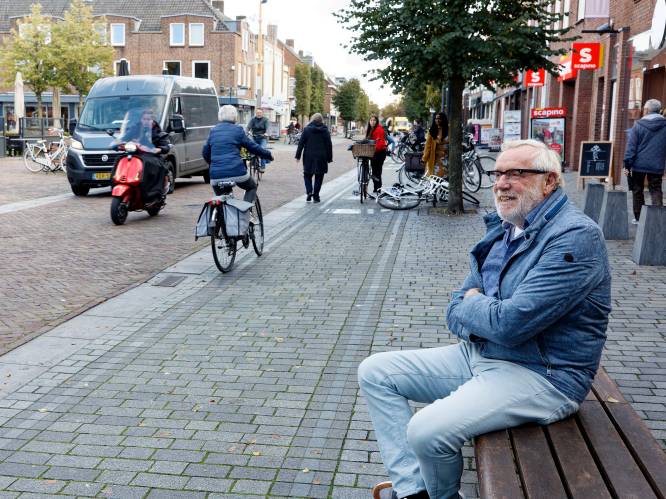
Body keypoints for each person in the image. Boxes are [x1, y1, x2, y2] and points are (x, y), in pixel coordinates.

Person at [359, 139, 611, 499]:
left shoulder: (575, 236)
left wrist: (476, 307)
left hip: (543, 373)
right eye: (498, 173)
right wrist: (478, 309)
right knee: (376, 372)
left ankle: (441, 497)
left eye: (517, 173)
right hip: (485, 354)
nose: (501, 182)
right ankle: (414, 490)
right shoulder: (506, 227)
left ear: (551, 181)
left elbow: (511, 324)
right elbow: (455, 308)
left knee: (426, 430)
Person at [203, 105, 272, 202]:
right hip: (236, 171)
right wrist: (267, 155)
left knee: (221, 199)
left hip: (216, 174)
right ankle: (245, 214)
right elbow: (252, 147)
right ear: (235, 117)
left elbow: (205, 152)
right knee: (251, 187)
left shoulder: (213, 131)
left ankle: (220, 216)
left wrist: (214, 163)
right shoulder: (238, 130)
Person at [623, 98, 666, 224]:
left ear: (646, 110)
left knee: (637, 190)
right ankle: (658, 220)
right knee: (656, 189)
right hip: (657, 164)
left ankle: (639, 219)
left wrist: (627, 164)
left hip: (638, 164)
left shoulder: (639, 125)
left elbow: (631, 147)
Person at [116, 108, 171, 203]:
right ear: (141, 119)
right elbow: (124, 138)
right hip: (136, 155)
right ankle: (117, 181)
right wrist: (117, 143)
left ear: (152, 120)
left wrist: (159, 149)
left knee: (151, 164)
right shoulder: (135, 129)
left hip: (152, 156)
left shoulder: (158, 132)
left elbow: (165, 145)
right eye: (144, 119)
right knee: (120, 159)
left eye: (148, 119)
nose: (146, 121)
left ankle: (151, 191)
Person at [295, 113, 333, 203]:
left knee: (307, 175)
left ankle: (309, 191)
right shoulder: (325, 130)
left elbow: (301, 143)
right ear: (321, 121)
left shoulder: (307, 130)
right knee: (319, 176)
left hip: (309, 156)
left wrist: (298, 156)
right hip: (321, 156)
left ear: (312, 120)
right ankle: (316, 196)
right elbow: (329, 145)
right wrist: (329, 158)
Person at [366, 115, 388, 194]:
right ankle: (377, 188)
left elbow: (379, 143)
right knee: (375, 172)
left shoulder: (378, 129)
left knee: (377, 172)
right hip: (374, 152)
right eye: (371, 120)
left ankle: (378, 189)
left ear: (377, 121)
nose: (372, 122)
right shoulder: (371, 129)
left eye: (374, 120)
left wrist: (373, 149)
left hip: (379, 153)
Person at [422, 112, 449, 177]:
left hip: (447, 159)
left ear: (443, 119)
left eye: (439, 118)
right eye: (436, 119)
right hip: (434, 159)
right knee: (435, 179)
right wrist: (424, 159)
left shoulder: (448, 130)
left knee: (445, 180)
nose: (437, 120)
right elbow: (428, 146)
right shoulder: (432, 130)